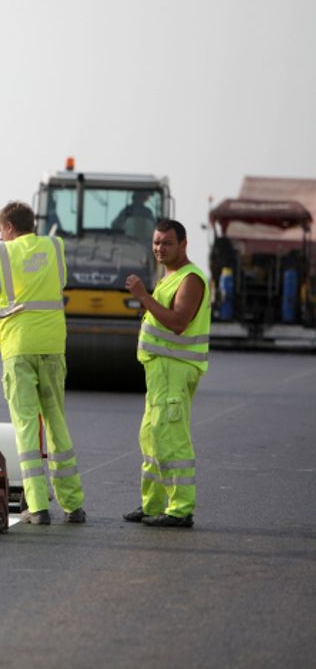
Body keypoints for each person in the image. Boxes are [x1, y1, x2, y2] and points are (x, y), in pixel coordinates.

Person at [0, 201, 86, 525]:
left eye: (0, 230)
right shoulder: (55, 247)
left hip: (19, 347)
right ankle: (73, 504)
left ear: (9, 227)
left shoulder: (1, 254)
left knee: (26, 425)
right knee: (56, 421)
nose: (0, 236)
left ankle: (37, 507)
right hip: (53, 344)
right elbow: (57, 285)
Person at [123, 219, 209, 528]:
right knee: (151, 436)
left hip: (175, 368)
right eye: (156, 242)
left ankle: (180, 509)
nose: (160, 248)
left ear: (183, 244)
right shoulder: (170, 275)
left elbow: (178, 322)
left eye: (167, 243)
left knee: (171, 437)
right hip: (159, 369)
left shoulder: (191, 279)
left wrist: (143, 297)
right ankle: (154, 504)